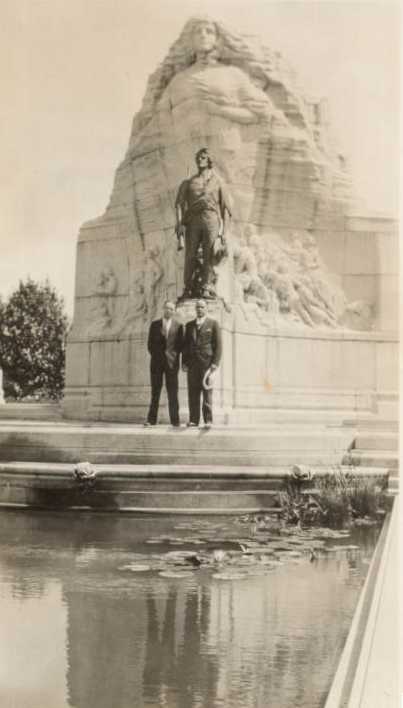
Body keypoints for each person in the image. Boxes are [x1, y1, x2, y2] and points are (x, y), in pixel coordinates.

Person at [175, 147, 231, 299]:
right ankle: (187, 288)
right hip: (192, 220)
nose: (200, 160)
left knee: (209, 254)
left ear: (209, 160)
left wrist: (223, 233)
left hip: (211, 219)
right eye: (198, 157)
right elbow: (179, 205)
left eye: (203, 157)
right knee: (190, 255)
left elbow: (225, 208)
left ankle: (206, 287)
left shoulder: (218, 182)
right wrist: (179, 224)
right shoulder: (188, 182)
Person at [182, 299, 222, 429]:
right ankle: (193, 419)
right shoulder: (189, 325)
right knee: (193, 392)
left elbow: (218, 346)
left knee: (207, 392)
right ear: (195, 309)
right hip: (192, 364)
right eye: (198, 307)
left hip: (207, 364)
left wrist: (215, 364)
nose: (200, 309)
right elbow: (185, 346)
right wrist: (184, 362)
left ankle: (208, 420)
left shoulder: (213, 324)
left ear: (206, 309)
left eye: (202, 307)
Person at [144, 301, 184, 427]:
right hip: (157, 363)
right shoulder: (155, 325)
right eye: (167, 308)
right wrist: (157, 356)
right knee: (155, 391)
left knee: (173, 392)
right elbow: (150, 345)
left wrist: (173, 357)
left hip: (172, 364)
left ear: (174, 311)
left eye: (171, 309)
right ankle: (151, 420)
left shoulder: (179, 326)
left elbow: (180, 345)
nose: (169, 311)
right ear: (163, 309)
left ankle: (175, 420)